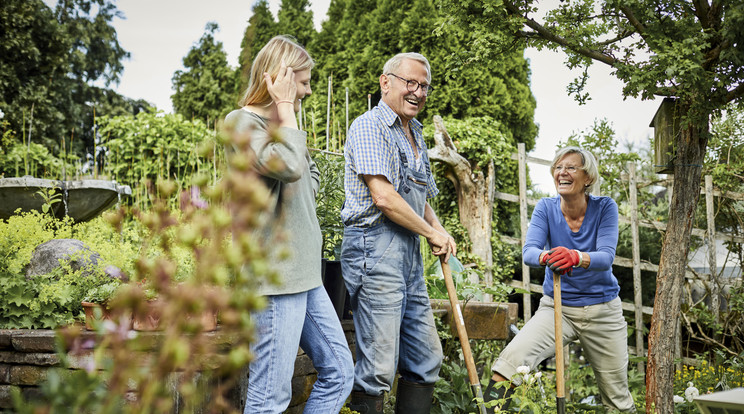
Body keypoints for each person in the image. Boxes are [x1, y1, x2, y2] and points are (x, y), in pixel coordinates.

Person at [224, 35, 354, 414]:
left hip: (305, 275)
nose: (308, 91)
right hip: (275, 280)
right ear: (278, 77)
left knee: (340, 372)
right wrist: (284, 106)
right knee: (269, 399)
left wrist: (286, 119)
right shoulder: (242, 124)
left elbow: (306, 174)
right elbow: (293, 167)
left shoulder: (282, 128)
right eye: (303, 81)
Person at [340, 52, 457, 414]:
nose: (418, 92)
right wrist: (429, 233)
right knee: (377, 368)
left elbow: (418, 195)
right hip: (374, 251)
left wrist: (438, 228)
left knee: (425, 358)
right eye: (410, 82)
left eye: (424, 86)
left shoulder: (416, 132)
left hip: (407, 255)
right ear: (385, 82)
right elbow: (385, 197)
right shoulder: (370, 126)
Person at [484, 146, 635, 412]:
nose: (562, 173)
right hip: (558, 308)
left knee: (617, 399)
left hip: (603, 312)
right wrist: (549, 257)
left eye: (571, 167)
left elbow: (605, 257)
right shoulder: (546, 208)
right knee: (509, 365)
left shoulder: (605, 208)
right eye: (558, 168)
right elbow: (530, 252)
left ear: (587, 177)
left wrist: (576, 257)